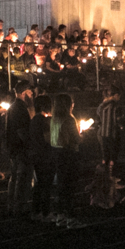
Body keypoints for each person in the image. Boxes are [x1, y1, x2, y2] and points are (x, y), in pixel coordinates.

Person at [49, 93, 85, 228]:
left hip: (56, 153)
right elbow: (76, 139)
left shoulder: (54, 118)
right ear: (68, 105)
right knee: (70, 186)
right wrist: (82, 134)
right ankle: (71, 218)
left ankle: (60, 216)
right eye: (72, 102)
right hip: (68, 154)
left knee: (61, 186)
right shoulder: (69, 119)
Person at [5, 82, 34, 217]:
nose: (32, 95)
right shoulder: (20, 108)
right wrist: (30, 145)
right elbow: (22, 130)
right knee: (21, 178)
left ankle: (11, 205)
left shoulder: (13, 106)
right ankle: (19, 207)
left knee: (15, 176)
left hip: (13, 147)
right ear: (24, 93)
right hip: (21, 149)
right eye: (30, 93)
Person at [29, 94, 55, 221]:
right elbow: (48, 139)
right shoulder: (42, 120)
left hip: (37, 155)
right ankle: (44, 212)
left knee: (40, 185)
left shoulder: (35, 119)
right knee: (45, 185)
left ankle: (36, 211)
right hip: (44, 156)